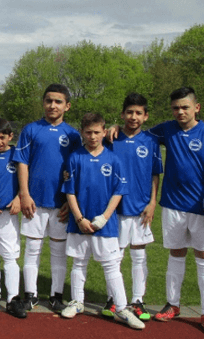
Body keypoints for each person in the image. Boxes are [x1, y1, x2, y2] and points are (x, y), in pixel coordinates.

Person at [108, 87, 204, 335]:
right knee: (176, 254)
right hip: (172, 204)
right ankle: (173, 304)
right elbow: (137, 132)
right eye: (176, 108)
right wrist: (112, 127)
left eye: (185, 107)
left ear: (196, 108)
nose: (180, 112)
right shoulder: (166, 129)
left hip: (203, 207)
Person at [59, 113, 144, 330]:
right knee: (79, 262)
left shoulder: (113, 159)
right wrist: (79, 218)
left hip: (106, 224)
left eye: (97, 132)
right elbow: (70, 192)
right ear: (82, 133)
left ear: (104, 132)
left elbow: (118, 192)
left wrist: (104, 217)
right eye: (88, 132)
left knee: (111, 265)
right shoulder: (74, 157)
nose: (93, 136)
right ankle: (77, 301)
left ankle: (122, 308)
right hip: (79, 222)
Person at [13, 84, 81, 312]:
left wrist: (70, 203)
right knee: (32, 249)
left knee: (58, 251)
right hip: (34, 202)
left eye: (58, 101)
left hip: (61, 204)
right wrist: (24, 194)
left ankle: (56, 295)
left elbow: (77, 171)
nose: (53, 105)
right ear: (43, 102)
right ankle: (30, 294)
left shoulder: (73, 135)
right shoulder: (31, 130)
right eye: (49, 100)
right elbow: (22, 162)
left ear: (67, 106)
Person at [101, 93, 162, 321]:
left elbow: (155, 174)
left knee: (139, 256)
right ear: (122, 114)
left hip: (140, 208)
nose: (133, 117)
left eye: (138, 113)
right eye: (129, 112)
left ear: (145, 116)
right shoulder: (111, 138)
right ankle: (113, 299)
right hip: (114, 209)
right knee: (113, 257)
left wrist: (152, 202)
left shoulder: (151, 141)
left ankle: (137, 300)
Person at [0, 118, 27, 318]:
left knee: (9, 255)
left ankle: (13, 298)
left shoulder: (17, 155)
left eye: (2, 137)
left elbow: (26, 181)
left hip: (8, 214)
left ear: (10, 136)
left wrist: (19, 197)